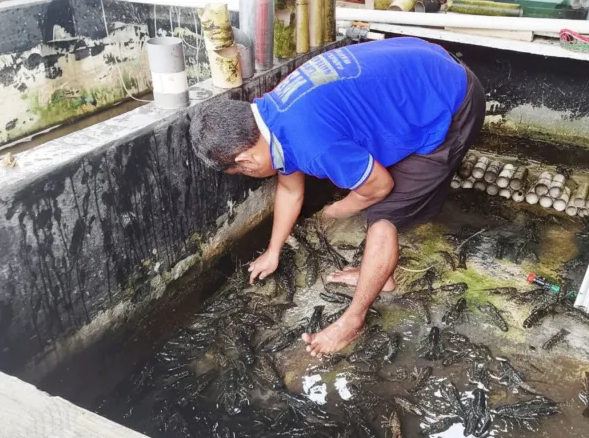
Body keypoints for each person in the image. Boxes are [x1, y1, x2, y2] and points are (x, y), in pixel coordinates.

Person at [190, 37, 485, 357]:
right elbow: (289, 187)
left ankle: (354, 318)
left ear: (246, 162)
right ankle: (375, 272)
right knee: (370, 179)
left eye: (241, 172)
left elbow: (378, 187)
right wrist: (273, 251)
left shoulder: (312, 143)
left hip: (454, 99)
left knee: (383, 216)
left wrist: (337, 211)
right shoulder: (272, 114)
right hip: (424, 68)